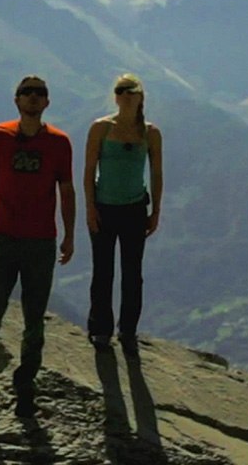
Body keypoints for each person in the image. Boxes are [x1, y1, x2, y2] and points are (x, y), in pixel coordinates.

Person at [0, 75, 76, 418]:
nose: (33, 98)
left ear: (47, 102)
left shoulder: (60, 143)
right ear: (16, 100)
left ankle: (25, 387)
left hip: (41, 241)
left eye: (39, 93)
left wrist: (69, 234)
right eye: (27, 93)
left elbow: (67, 190)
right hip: (3, 238)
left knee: (34, 318)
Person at [84, 73, 163, 357]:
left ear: (141, 97)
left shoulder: (151, 133)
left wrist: (155, 210)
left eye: (131, 91)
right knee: (102, 270)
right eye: (121, 90)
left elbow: (156, 173)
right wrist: (90, 208)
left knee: (133, 273)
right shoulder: (100, 128)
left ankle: (128, 330)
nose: (126, 95)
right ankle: (101, 329)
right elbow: (88, 171)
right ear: (115, 96)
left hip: (134, 209)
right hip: (104, 207)